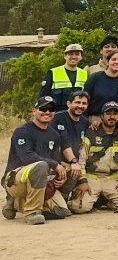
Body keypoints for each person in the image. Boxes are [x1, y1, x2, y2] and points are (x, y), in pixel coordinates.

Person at [2, 96, 78, 225]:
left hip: (40, 180)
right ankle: (32, 211)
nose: (47, 112)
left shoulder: (54, 135)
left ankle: (17, 203)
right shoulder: (22, 131)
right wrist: (54, 165)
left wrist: (61, 176)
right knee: (41, 165)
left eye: (51, 109)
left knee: (62, 211)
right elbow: (27, 157)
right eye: (43, 108)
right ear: (34, 111)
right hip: (15, 179)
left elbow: (54, 162)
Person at [69, 102, 118, 214]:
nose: (112, 117)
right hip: (92, 177)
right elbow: (81, 160)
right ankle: (96, 199)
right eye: (108, 113)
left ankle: (104, 200)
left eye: (115, 113)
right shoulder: (91, 133)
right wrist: (83, 181)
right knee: (79, 207)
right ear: (102, 116)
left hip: (113, 178)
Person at [50, 91, 90, 196]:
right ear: (69, 104)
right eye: (77, 102)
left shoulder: (85, 122)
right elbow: (64, 142)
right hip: (56, 162)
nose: (80, 106)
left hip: (75, 164)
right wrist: (73, 161)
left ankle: (64, 197)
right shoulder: (58, 118)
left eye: (84, 103)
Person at [84, 51, 118, 124]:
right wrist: (86, 120)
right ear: (107, 62)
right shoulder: (95, 78)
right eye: (113, 59)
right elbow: (85, 100)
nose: (116, 62)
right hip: (94, 120)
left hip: (113, 121)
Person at [38, 43, 87, 110]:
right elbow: (43, 96)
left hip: (77, 114)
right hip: (57, 114)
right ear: (65, 56)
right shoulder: (53, 72)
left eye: (77, 54)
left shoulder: (84, 74)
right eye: (71, 54)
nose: (74, 57)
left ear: (81, 57)